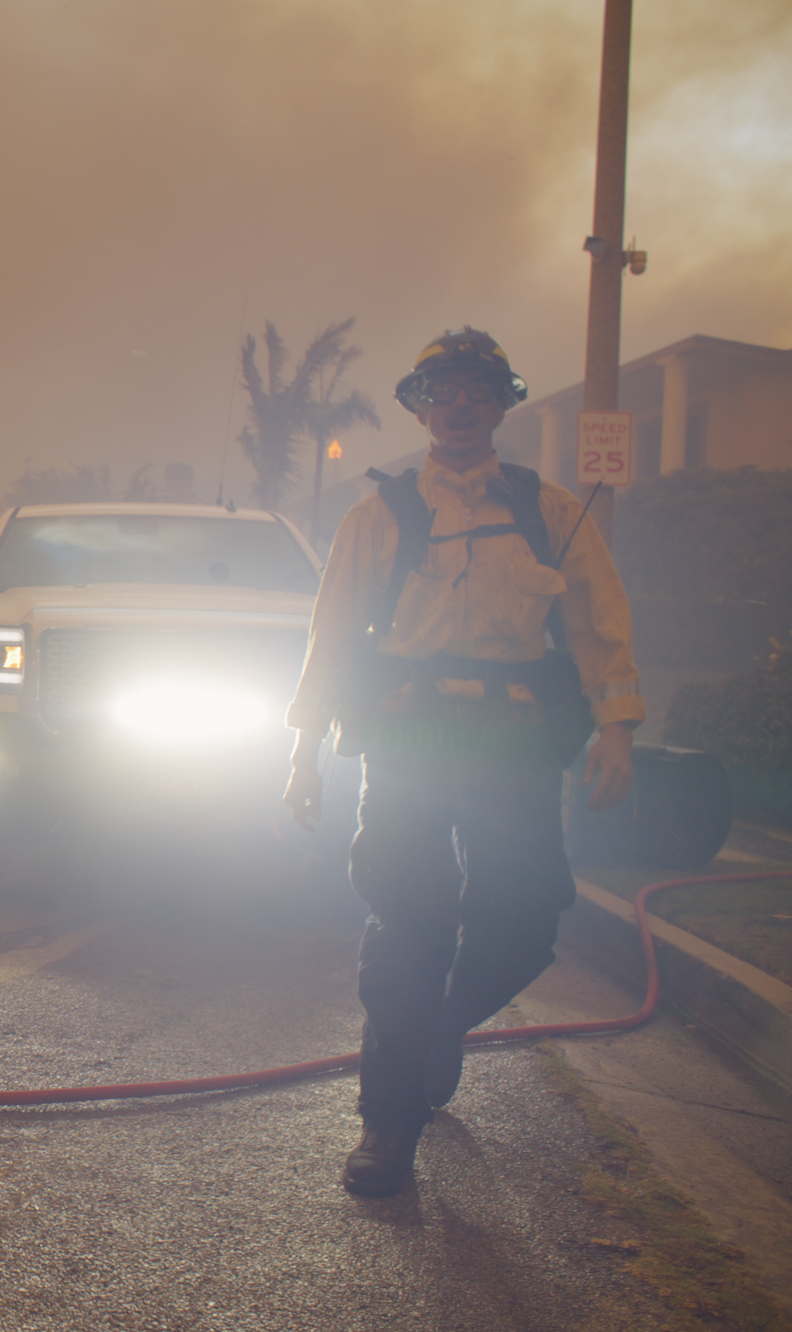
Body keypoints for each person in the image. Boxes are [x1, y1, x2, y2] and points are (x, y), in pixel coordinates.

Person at [282, 329, 643, 1196]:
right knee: (410, 925)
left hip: (513, 743)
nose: (460, 405)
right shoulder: (381, 518)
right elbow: (330, 638)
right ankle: (387, 1124)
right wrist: (303, 752)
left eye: (479, 390)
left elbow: (598, 624)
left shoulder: (550, 511)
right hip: (408, 744)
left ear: (503, 403)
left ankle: (441, 1033)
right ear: (419, 406)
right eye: (442, 390)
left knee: (526, 918)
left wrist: (618, 726)